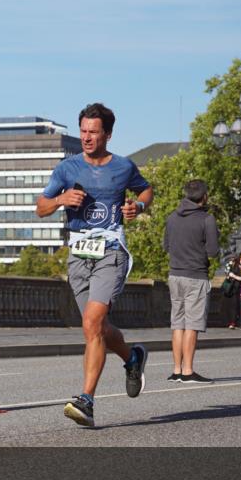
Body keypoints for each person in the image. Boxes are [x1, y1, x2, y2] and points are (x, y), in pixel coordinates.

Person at [35, 102, 153, 427]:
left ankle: (86, 400)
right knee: (95, 328)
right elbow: (41, 207)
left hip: (111, 252)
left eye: (93, 132)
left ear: (108, 135)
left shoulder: (123, 167)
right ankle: (132, 358)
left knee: (92, 322)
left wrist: (138, 209)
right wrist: (60, 200)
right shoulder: (66, 169)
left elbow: (146, 192)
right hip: (78, 255)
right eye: (83, 131)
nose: (87, 137)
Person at [163, 179, 219, 384]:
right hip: (196, 276)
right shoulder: (207, 219)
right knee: (192, 325)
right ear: (204, 197)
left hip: (174, 275)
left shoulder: (171, 218)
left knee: (177, 323)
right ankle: (188, 371)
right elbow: (213, 251)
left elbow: (166, 246)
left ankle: (176, 370)